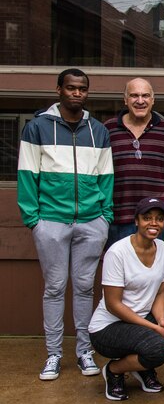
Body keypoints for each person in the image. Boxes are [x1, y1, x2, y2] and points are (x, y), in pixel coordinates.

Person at [17, 68, 113, 381]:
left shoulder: (98, 130)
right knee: (55, 289)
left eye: (82, 89)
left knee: (85, 288)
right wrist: (35, 219)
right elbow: (27, 175)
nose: (76, 93)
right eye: (70, 88)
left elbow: (106, 178)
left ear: (87, 92)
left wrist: (104, 216)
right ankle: (54, 355)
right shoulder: (37, 128)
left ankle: (85, 352)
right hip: (51, 221)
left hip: (90, 221)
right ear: (59, 89)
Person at [88, 197, 164, 401]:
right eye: (147, 218)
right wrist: (153, 329)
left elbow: (159, 293)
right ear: (136, 221)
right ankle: (114, 371)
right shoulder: (118, 252)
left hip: (144, 321)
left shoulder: (163, 248)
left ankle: (142, 365)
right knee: (158, 347)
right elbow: (113, 305)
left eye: (159, 219)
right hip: (109, 327)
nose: (154, 223)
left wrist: (161, 321)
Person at [104, 78, 164, 248]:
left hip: (157, 219)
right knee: (119, 273)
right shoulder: (108, 130)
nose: (140, 101)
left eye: (145, 96)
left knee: (154, 273)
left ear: (153, 100)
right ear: (125, 99)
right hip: (117, 219)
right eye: (134, 95)